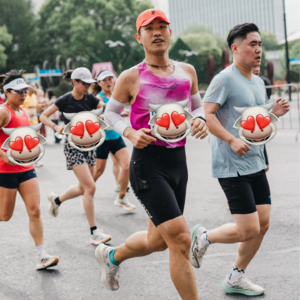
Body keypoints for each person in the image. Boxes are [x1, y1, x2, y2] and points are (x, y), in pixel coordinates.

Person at [95, 10, 209, 300]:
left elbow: (197, 106)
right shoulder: (131, 76)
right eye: (149, 29)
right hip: (147, 165)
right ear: (139, 37)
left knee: (156, 242)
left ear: (170, 33)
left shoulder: (188, 71)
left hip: (178, 163)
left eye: (162, 27)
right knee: (181, 242)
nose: (157, 32)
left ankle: (112, 256)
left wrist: (201, 120)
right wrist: (130, 132)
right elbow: (110, 112)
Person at [190, 23, 290, 296]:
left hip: (256, 161)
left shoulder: (258, 80)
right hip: (231, 165)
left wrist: (275, 113)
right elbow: (207, 115)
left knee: (263, 224)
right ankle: (204, 237)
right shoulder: (224, 79)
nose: (258, 49)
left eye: (260, 44)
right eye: (252, 44)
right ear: (235, 48)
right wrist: (231, 140)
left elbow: (254, 121)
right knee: (249, 229)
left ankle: (236, 277)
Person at [40, 67, 112, 245]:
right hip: (73, 147)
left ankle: (57, 200)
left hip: (91, 146)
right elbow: (43, 116)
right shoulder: (65, 100)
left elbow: (104, 108)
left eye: (89, 84)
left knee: (84, 188)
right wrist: (56, 127)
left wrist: (103, 113)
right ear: (75, 82)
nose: (88, 87)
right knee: (90, 187)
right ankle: (94, 232)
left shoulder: (90, 98)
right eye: (84, 84)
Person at [0, 70, 59, 270]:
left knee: (34, 210)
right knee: (4, 216)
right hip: (6, 170)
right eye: (18, 91)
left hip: (26, 168)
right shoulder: (3, 112)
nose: (23, 94)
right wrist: (3, 155)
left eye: (25, 90)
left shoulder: (23, 112)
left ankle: (41, 255)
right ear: (6, 92)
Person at [93, 70, 135, 211]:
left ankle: (121, 197)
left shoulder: (115, 97)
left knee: (127, 166)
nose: (108, 82)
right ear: (98, 83)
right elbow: (98, 115)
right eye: (104, 80)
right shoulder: (97, 99)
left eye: (110, 79)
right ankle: (86, 190)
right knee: (98, 171)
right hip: (103, 140)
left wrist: (123, 113)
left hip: (116, 137)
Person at [22, 83, 43, 167]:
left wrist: (42, 105)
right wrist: (27, 113)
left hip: (35, 122)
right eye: (31, 86)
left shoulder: (34, 96)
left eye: (34, 86)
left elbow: (35, 106)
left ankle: (34, 159)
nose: (33, 88)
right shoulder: (24, 96)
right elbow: (20, 107)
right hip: (26, 122)